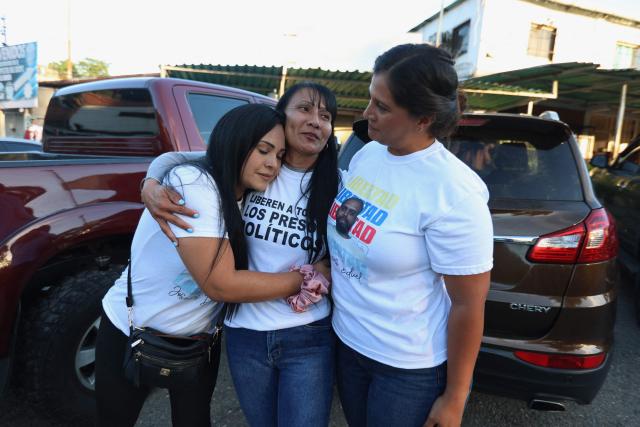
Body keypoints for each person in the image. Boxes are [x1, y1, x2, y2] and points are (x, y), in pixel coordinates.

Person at [96, 104, 329, 427]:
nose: (272, 164)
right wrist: (307, 278)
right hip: (131, 330)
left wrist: (149, 179)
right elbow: (220, 284)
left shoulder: (243, 190)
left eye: (279, 155)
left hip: (198, 340)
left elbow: (171, 157)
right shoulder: (194, 185)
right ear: (235, 141)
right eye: (263, 150)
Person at [328, 44, 493, 427]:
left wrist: (455, 398)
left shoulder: (454, 192)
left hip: (405, 369)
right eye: (371, 99)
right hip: (347, 344)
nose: (368, 113)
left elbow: (469, 307)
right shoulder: (369, 155)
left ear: (423, 118)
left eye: (382, 107)